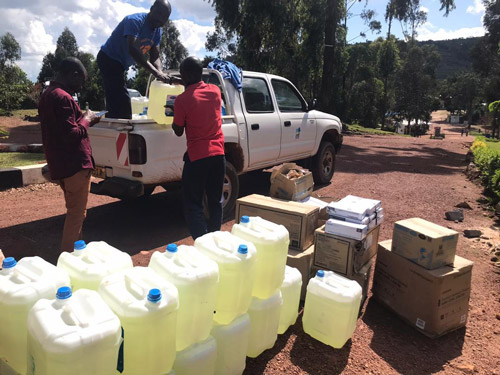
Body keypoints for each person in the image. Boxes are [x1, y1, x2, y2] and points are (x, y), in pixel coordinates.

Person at [38, 57, 101, 252]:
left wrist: (84, 120)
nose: (81, 86)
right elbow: (70, 135)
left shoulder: (47, 94)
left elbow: (62, 128)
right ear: (73, 75)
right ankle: (68, 259)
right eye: (81, 80)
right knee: (76, 215)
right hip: (75, 164)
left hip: (61, 163)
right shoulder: (63, 97)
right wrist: (88, 120)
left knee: (75, 211)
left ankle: (78, 253)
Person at [172, 57, 225, 240]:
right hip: (218, 155)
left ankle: (202, 242)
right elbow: (197, 91)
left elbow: (178, 130)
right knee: (215, 200)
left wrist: (174, 111)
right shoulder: (215, 91)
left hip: (197, 157)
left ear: (185, 75)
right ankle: (214, 240)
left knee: (193, 204)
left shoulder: (182, 100)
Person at [97, 0, 172, 119]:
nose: (161, 19)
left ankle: (113, 124)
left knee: (117, 99)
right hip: (108, 58)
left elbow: (155, 56)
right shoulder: (135, 21)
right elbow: (134, 50)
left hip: (120, 64)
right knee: (122, 100)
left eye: (165, 17)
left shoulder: (158, 31)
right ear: (151, 9)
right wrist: (156, 73)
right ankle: (119, 131)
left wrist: (160, 72)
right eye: (159, 14)